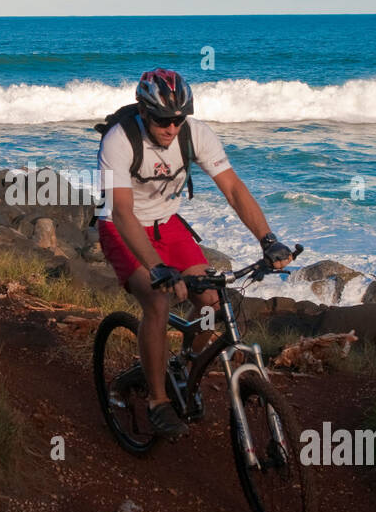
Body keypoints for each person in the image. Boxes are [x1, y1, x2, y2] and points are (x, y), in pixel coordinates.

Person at [96, 68, 293, 440]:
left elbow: (233, 189)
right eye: (163, 120)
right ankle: (157, 401)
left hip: (167, 224)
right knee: (157, 300)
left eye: (178, 119)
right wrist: (157, 268)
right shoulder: (119, 140)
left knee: (211, 300)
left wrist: (268, 240)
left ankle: (184, 366)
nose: (171, 128)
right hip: (121, 227)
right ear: (143, 111)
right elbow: (121, 212)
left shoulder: (195, 134)